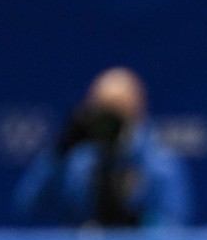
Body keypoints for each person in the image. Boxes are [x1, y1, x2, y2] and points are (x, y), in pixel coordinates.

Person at [13, 67, 192, 228]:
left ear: (138, 110)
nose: (109, 119)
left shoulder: (160, 164)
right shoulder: (77, 160)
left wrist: (135, 223)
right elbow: (27, 205)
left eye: (117, 109)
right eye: (102, 108)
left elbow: (173, 229)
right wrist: (59, 151)